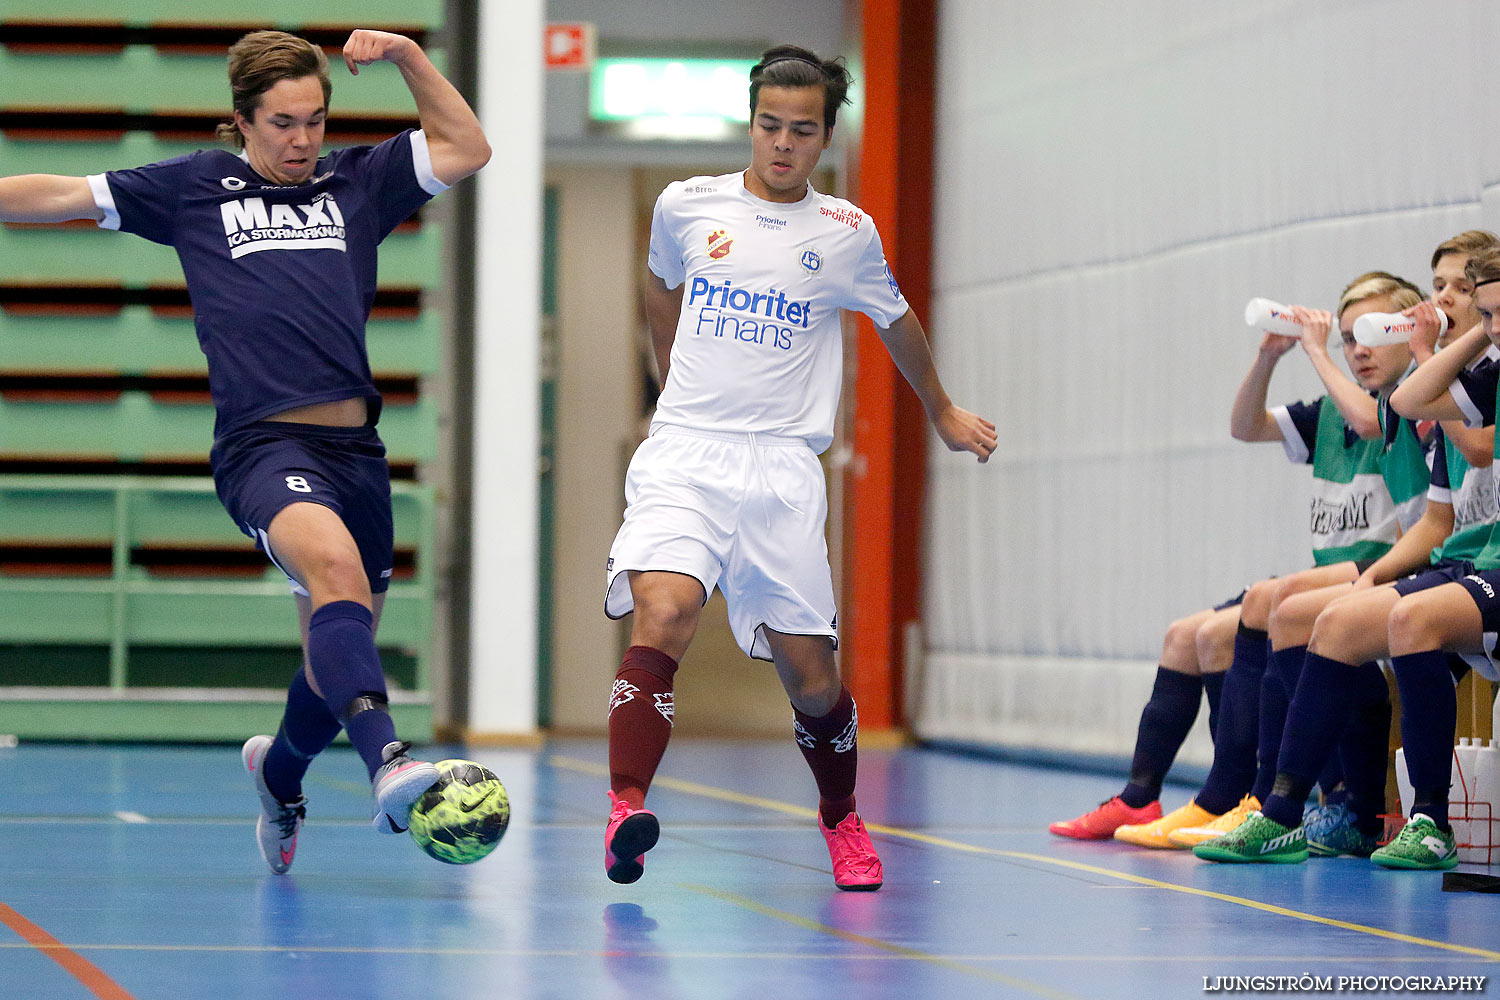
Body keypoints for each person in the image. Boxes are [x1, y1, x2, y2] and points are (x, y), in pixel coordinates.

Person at [0, 29, 490, 873]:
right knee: (335, 573)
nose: (303, 141)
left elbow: (466, 145)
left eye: (316, 120)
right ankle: (392, 763)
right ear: (242, 122)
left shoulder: (358, 181)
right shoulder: (195, 187)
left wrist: (410, 56)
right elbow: (57, 193)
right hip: (263, 443)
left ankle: (280, 774)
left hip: (357, 450)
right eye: (282, 123)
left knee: (335, 655)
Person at [601, 44, 996, 891]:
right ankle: (626, 808)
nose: (782, 143)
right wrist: (666, 371)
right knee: (662, 612)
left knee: (813, 682)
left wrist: (943, 409)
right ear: (752, 121)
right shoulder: (685, 205)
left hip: (782, 471)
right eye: (769, 125)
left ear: (825, 137)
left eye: (802, 130)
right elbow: (660, 285)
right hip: (686, 453)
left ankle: (840, 817)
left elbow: (896, 324)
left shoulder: (846, 233)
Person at [1111, 273, 1429, 850]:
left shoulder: (1404, 404)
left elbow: (1369, 419)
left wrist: (1315, 348)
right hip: (1341, 570)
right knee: (1198, 635)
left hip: (1383, 565)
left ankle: (1258, 795)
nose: (1357, 349)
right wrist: (1269, 359)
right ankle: (1215, 796)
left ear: (1409, 332)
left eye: (1372, 334)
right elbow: (1244, 426)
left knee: (1270, 605)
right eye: (1348, 338)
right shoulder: (1335, 412)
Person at [1207, 244, 1500, 870]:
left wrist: (1431, 349)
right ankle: (1280, 811)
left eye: (1459, 291)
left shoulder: (1464, 384)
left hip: (1482, 573)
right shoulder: (1461, 383)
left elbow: (1473, 448)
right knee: (1334, 622)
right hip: (1461, 563)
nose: (1442, 300)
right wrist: (1372, 580)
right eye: (1438, 286)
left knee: (1405, 620)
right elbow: (1441, 517)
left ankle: (1426, 818)